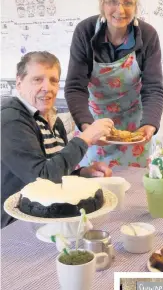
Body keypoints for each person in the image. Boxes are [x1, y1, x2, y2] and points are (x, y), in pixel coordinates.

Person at [1, 51, 114, 228]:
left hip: (48, 215)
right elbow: (42, 178)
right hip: (14, 225)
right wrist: (85, 139)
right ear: (19, 83)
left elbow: (54, 175)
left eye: (53, 80)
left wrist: (82, 173)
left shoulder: (54, 120)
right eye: (37, 79)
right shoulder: (11, 119)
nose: (48, 87)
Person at [64, 0, 163, 169]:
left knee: (135, 191)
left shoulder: (147, 35)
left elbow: (153, 88)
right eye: (112, 1)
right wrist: (88, 127)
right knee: (93, 187)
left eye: (128, 2)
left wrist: (150, 124)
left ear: (135, 6)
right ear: (102, 3)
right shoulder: (84, 32)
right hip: (94, 122)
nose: (120, 9)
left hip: (134, 127)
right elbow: (75, 87)